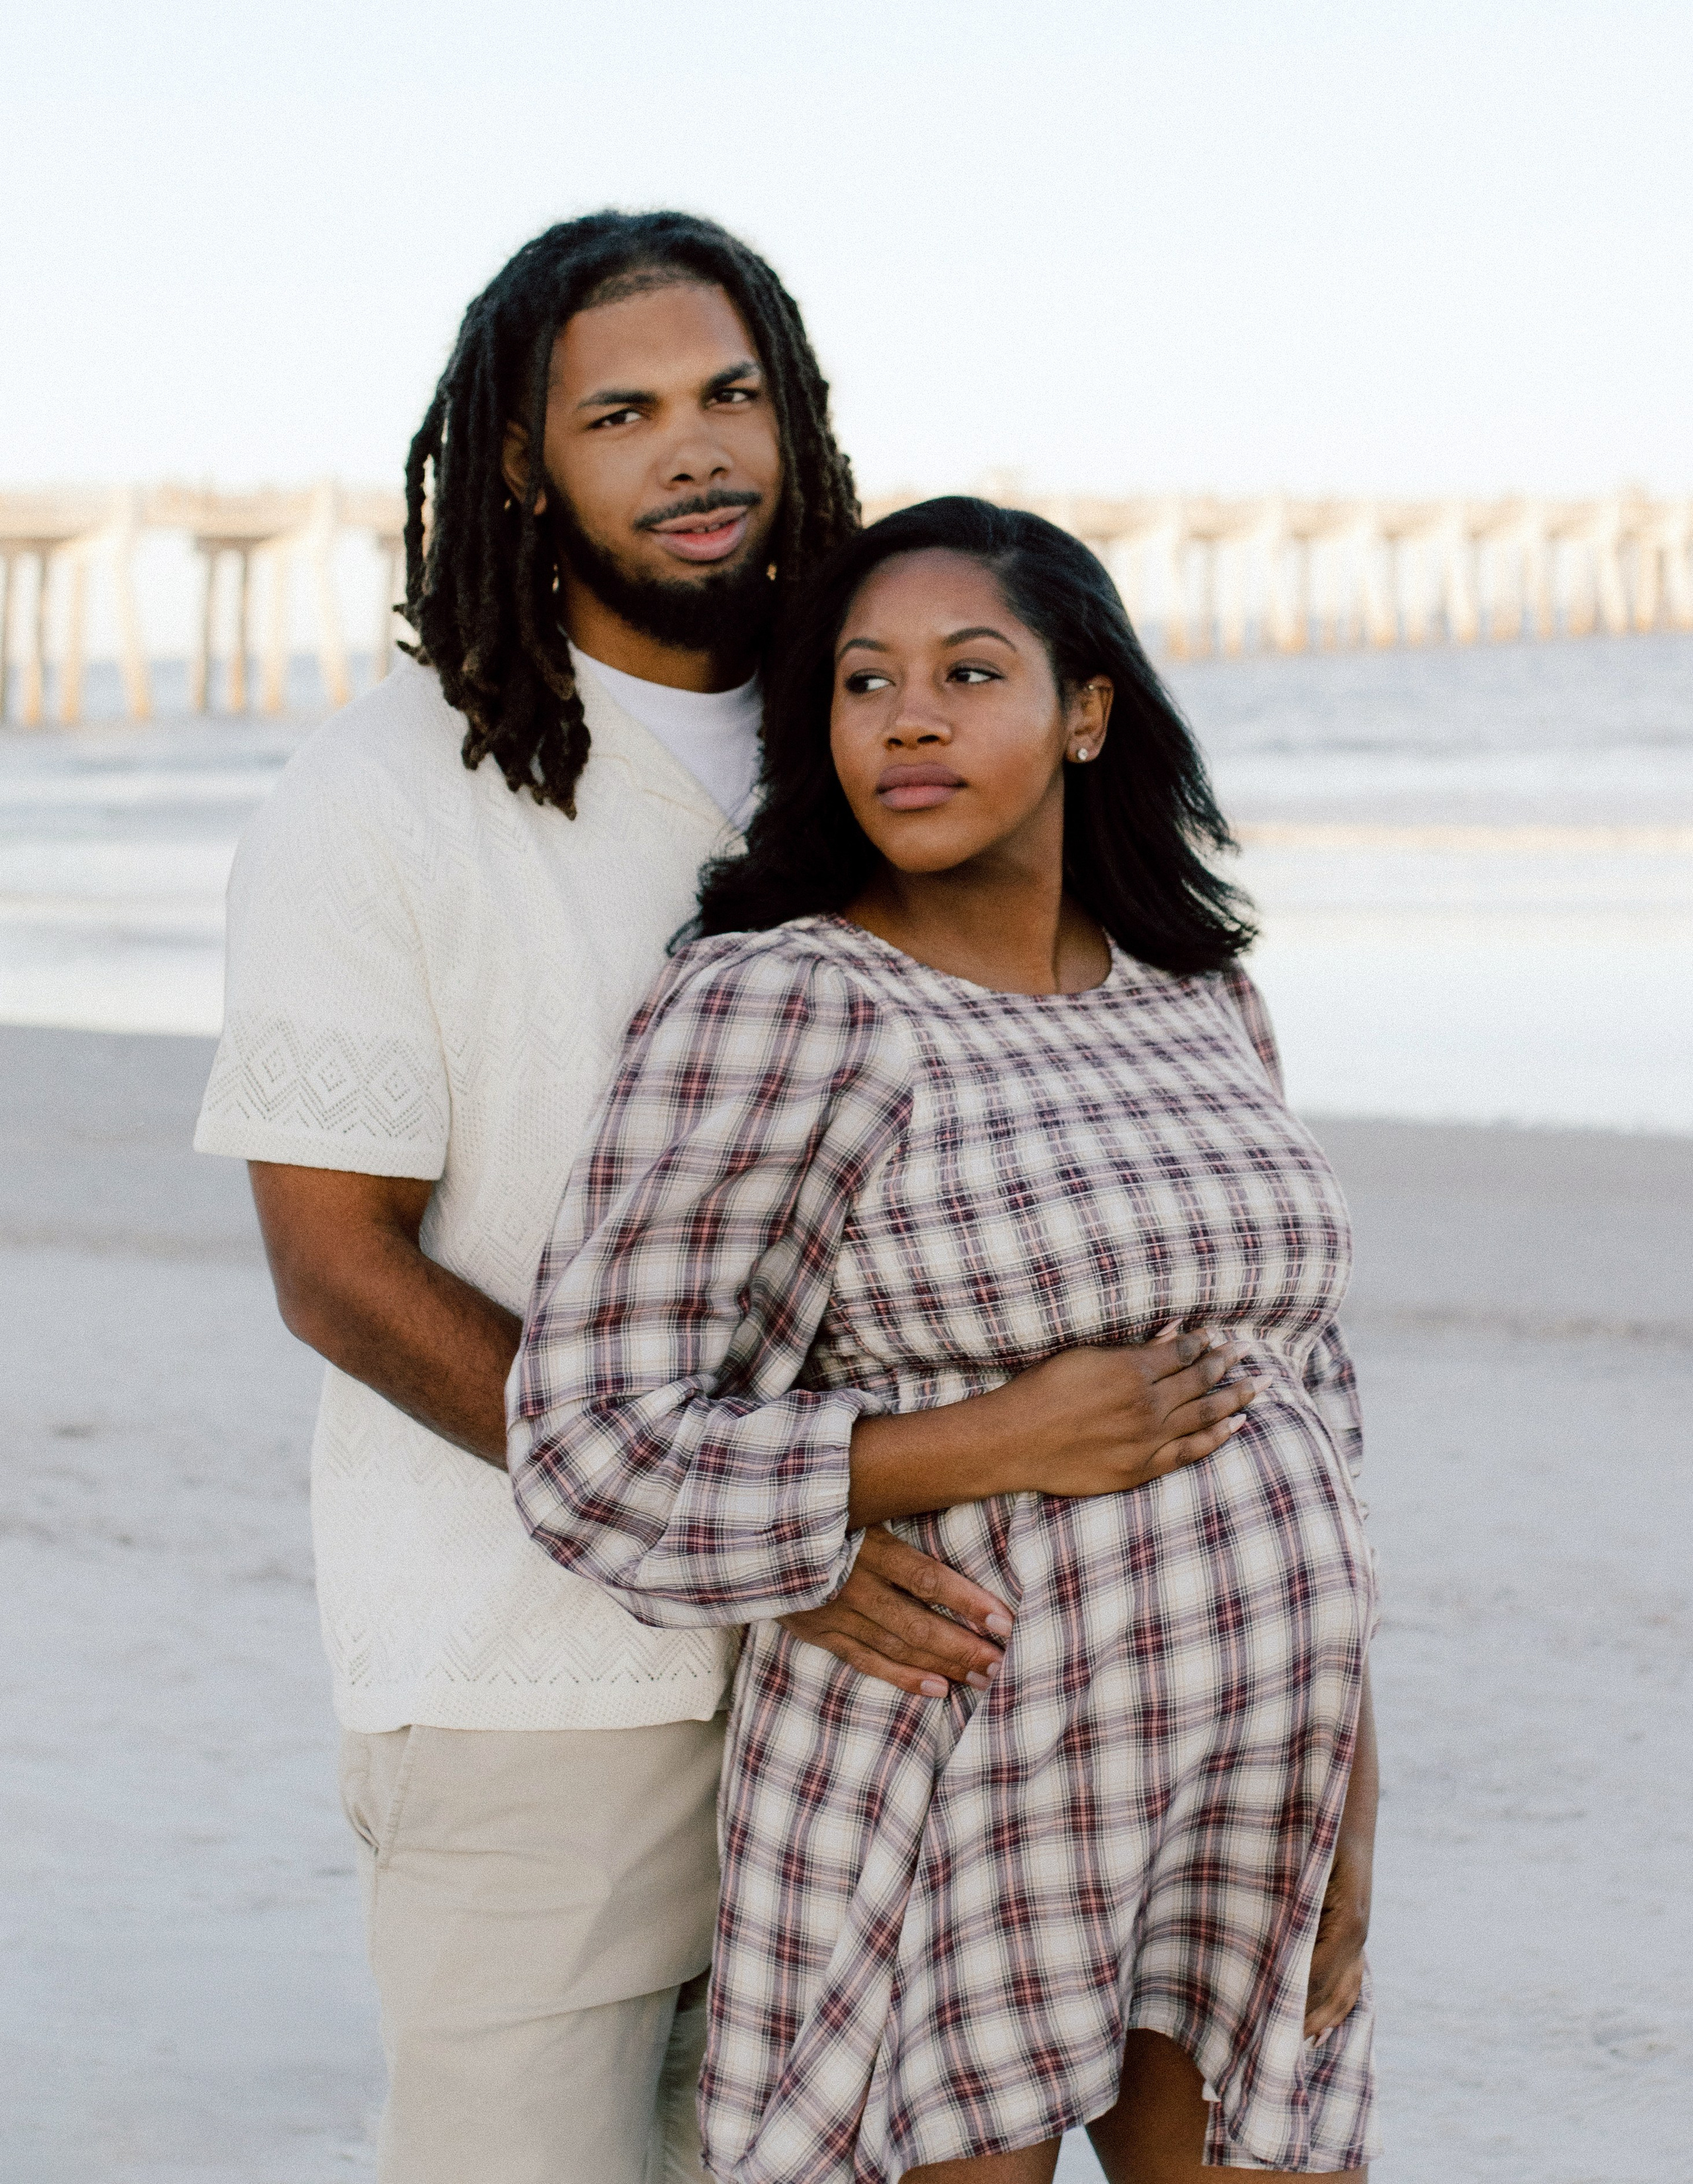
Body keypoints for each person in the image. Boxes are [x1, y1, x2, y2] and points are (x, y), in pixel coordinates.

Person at [512, 496, 1380, 2184]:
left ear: (1085, 710)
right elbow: (587, 1437)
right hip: (955, 1766)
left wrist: (1351, 1774)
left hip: (1243, 1761)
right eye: (859, 682)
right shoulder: (786, 1004)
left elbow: (1315, 1401)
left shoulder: (1199, 995)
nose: (905, 717)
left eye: (967, 672)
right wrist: (988, 1444)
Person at [192, 208, 891, 2184]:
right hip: (531, 1676)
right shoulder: (382, 796)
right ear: (522, 461)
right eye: (627, 412)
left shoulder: (879, 736)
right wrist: (742, 1534)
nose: (697, 451)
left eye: (733, 394)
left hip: (878, 1673)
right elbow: (337, 1272)